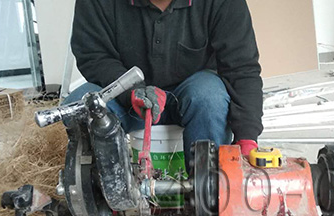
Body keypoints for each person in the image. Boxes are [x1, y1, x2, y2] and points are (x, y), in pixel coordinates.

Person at [66, 0, 264, 168]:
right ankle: (107, 191)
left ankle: (210, 185)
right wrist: (131, 92)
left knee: (209, 97)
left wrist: (247, 137)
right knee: (80, 108)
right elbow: (94, 56)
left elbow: (241, 68)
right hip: (126, 98)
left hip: (193, 99)